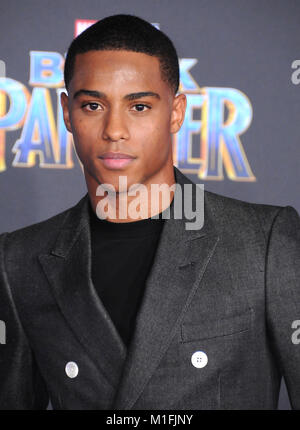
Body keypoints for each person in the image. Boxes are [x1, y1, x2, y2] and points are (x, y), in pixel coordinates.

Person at [0, 14, 299, 410]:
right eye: (92, 105)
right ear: (67, 113)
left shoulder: (265, 242)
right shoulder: (18, 261)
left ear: (175, 112)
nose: (115, 130)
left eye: (139, 106)